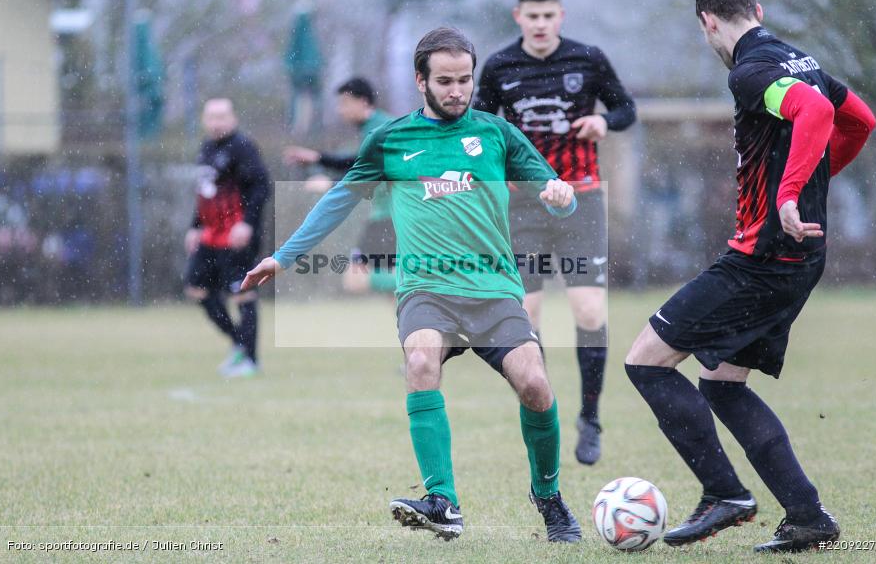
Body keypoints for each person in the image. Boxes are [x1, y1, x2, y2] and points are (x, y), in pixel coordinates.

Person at [243, 27, 583, 543]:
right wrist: (283, 256)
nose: (457, 91)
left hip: (493, 289)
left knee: (535, 385)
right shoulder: (390, 139)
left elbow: (555, 187)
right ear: (420, 81)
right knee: (420, 362)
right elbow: (341, 197)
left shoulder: (495, 134)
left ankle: (548, 494)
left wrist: (562, 196)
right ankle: (443, 501)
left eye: (465, 80)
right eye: (445, 81)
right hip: (426, 289)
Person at [623, 0, 875, 553]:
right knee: (722, 384)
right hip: (799, 257)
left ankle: (723, 494)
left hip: (760, 260)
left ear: (707, 22)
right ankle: (808, 516)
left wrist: (790, 194)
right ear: (756, 9)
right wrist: (814, 178)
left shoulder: (749, 72)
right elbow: (859, 119)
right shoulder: (800, 59)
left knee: (647, 363)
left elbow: (813, 112)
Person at [473, 0, 636, 465]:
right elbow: (479, 127)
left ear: (560, 16)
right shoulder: (501, 65)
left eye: (549, 16)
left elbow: (626, 108)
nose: (541, 24)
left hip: (581, 201)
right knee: (526, 314)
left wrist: (604, 122)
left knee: (588, 312)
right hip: (523, 206)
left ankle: (590, 417)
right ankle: (546, 406)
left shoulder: (587, 58)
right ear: (517, 16)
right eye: (532, 16)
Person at [284, 78, 397, 294]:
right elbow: (359, 162)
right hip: (391, 215)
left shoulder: (380, 130)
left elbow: (369, 171)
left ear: (363, 102)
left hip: (388, 217)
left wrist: (330, 183)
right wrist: (317, 158)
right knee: (392, 290)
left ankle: (426, 285)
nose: (340, 110)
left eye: (345, 103)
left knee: (355, 279)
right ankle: (415, 311)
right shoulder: (379, 127)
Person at [184, 98, 271, 378]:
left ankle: (250, 360)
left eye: (222, 116)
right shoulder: (207, 148)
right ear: (204, 120)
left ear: (232, 118)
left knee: (242, 294)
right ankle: (238, 343)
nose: (217, 122)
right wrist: (195, 225)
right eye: (211, 116)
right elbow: (206, 192)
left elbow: (261, 187)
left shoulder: (242, 147)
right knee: (196, 289)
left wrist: (247, 224)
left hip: (236, 237)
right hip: (210, 237)